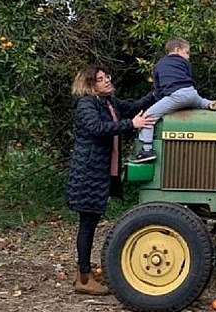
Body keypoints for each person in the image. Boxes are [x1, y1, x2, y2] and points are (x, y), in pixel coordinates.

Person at [65, 65, 156, 295]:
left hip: (99, 173)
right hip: (88, 173)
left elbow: (134, 107)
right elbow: (98, 128)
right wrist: (131, 125)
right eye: (101, 79)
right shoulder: (86, 104)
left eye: (107, 77)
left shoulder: (108, 102)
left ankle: (84, 271)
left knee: (91, 221)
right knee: (87, 223)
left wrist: (157, 91)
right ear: (90, 84)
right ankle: (83, 278)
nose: (107, 81)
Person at [130, 37, 216, 163]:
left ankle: (146, 150)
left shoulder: (159, 65)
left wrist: (160, 102)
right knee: (200, 101)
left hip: (175, 95)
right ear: (177, 50)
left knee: (147, 117)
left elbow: (158, 89)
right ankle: (210, 104)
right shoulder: (185, 64)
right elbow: (189, 77)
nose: (188, 56)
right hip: (191, 92)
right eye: (187, 52)